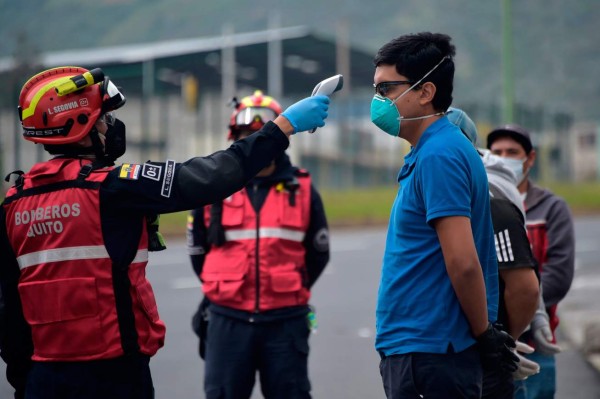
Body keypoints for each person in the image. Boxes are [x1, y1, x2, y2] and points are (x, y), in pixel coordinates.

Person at [0, 66, 330, 399]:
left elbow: (9, 311)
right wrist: (284, 126)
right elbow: (213, 175)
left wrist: (25, 383)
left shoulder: (13, 203)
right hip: (115, 374)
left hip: (42, 377)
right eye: (103, 118)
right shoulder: (117, 187)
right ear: (79, 124)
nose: (110, 126)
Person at [370, 32, 517, 399]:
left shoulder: (439, 155)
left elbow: (463, 261)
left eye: (387, 89)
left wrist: (484, 333)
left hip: (430, 352)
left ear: (425, 91)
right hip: (422, 349)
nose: (378, 101)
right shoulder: (432, 151)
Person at [186, 90, 330, 399]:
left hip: (285, 322)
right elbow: (197, 252)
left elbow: (318, 254)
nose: (254, 142)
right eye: (245, 135)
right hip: (227, 319)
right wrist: (225, 286)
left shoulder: (302, 188)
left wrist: (287, 286)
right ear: (234, 137)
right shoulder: (212, 190)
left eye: (259, 134)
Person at [448, 108, 541, 398]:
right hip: (435, 351)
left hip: (478, 357)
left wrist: (503, 342)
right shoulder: (436, 195)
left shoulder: (492, 206)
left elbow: (524, 288)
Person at [487, 124, 573, 399]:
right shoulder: (484, 201)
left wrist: (527, 314)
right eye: (497, 152)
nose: (503, 158)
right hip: (492, 338)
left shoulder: (550, 208)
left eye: (512, 152)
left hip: (536, 341)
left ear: (530, 158)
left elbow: (557, 274)